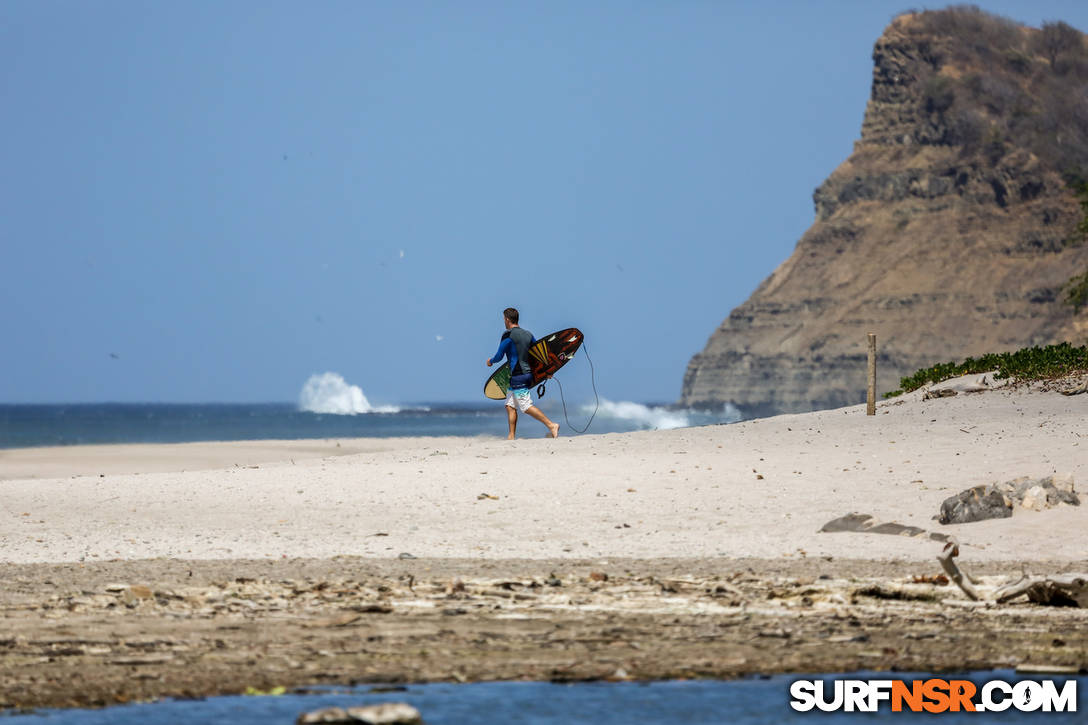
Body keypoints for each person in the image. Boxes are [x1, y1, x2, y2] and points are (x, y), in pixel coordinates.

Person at [486, 307, 560, 439]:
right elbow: (537, 354)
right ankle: (511, 435)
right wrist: (547, 371)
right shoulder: (528, 334)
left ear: (507, 319)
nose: (504, 321)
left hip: (518, 375)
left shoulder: (508, 335)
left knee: (525, 407)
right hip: (524, 375)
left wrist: (490, 361)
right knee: (510, 405)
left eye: (504, 319)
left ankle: (551, 425)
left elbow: (499, 356)